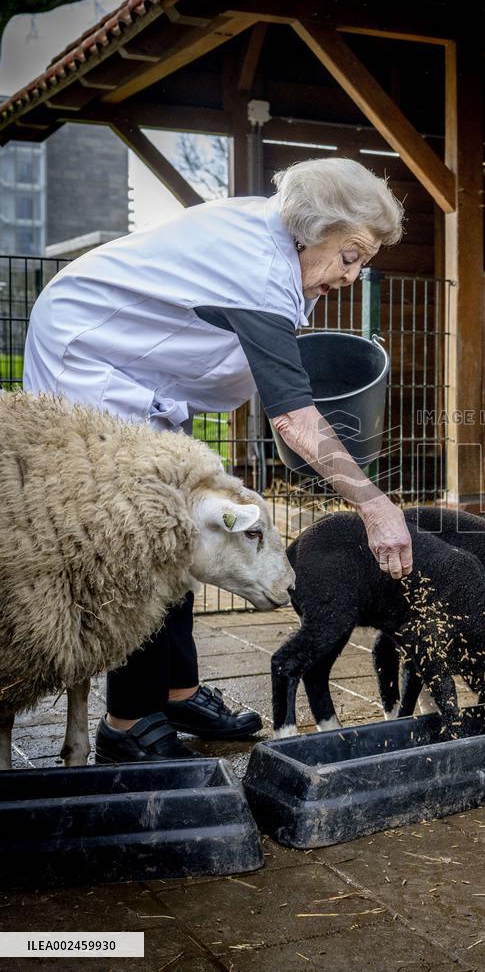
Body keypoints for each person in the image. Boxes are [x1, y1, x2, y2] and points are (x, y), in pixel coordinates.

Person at [23, 157, 413, 762]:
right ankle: (129, 722)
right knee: (144, 533)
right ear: (316, 229)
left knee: (182, 523)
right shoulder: (261, 266)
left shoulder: (277, 249)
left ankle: (178, 690)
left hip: (142, 370)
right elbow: (294, 419)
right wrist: (374, 504)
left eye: (364, 262)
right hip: (92, 356)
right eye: (351, 255)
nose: (354, 274)